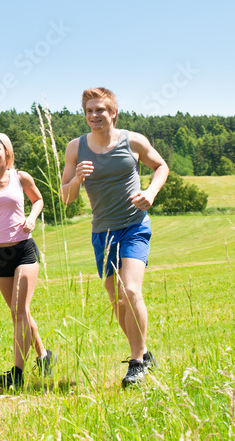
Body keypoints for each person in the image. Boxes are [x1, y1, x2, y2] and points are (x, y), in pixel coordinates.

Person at [59, 88, 168, 388]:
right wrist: (78, 179)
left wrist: (151, 192)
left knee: (131, 291)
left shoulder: (132, 141)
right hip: (102, 232)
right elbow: (65, 197)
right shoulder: (75, 148)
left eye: (101, 110)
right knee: (118, 302)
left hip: (134, 225)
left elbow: (161, 166)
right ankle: (144, 353)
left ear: (113, 113)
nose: (95, 116)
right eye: (90, 111)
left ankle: (135, 363)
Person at [0, 132, 55, 389]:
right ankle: (45, 356)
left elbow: (38, 200)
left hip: (24, 250)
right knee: (20, 312)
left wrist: (32, 218)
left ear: (7, 152)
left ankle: (17, 373)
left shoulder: (20, 177)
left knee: (19, 312)